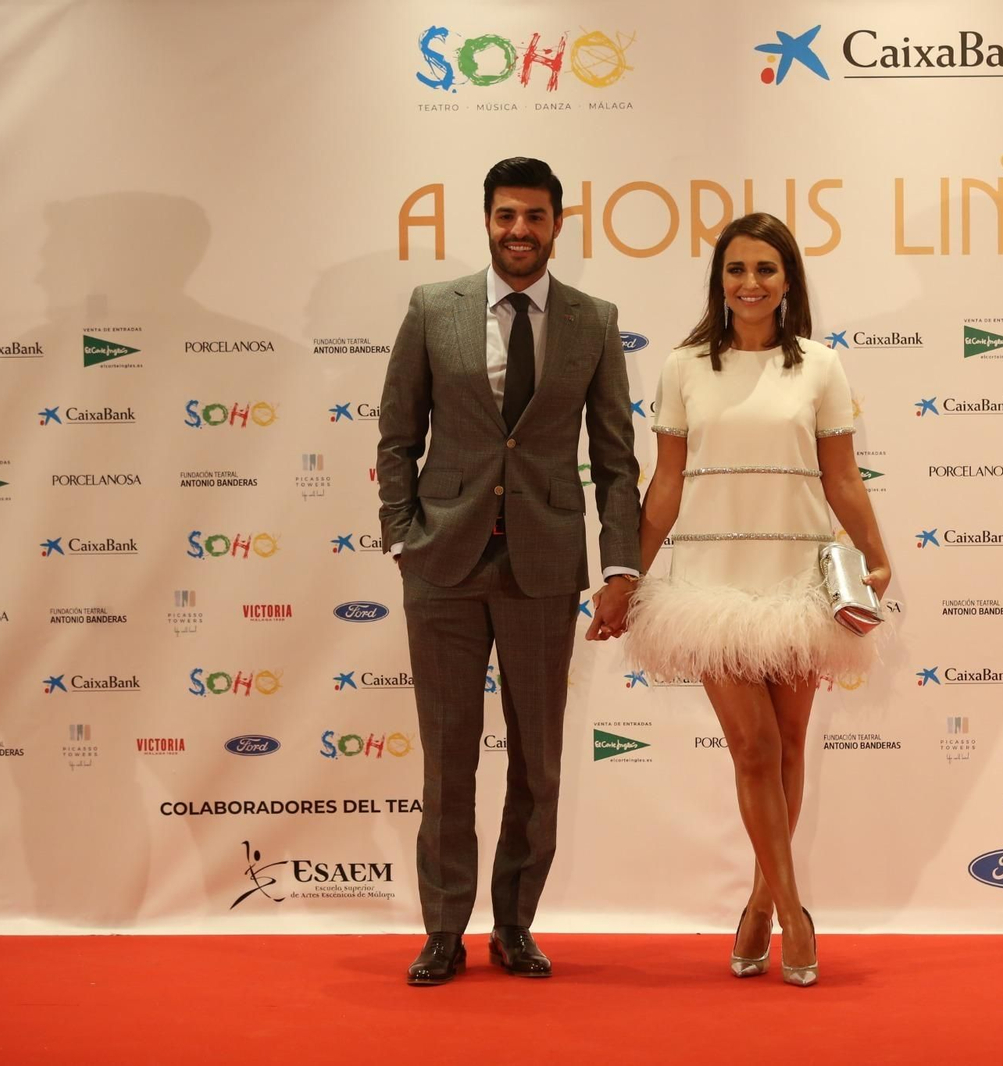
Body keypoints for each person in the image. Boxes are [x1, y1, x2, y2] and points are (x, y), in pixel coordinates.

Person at [376, 157, 642, 986]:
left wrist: (621, 566)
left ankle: (516, 926)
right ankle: (443, 933)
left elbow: (616, 458)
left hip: (543, 566)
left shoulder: (594, 322)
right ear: (486, 221)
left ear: (559, 223)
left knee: (539, 759)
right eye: (504, 216)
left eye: (534, 216)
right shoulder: (433, 309)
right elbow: (396, 434)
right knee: (448, 759)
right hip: (443, 564)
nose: (518, 231)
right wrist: (401, 537)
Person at [625, 213, 892, 987]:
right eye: (736, 268)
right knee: (752, 748)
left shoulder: (819, 367)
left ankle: (756, 904)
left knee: (789, 742)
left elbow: (842, 476)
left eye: (766, 270)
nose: (749, 283)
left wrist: (876, 558)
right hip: (710, 584)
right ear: (719, 279)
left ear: (788, 282)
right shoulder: (681, 368)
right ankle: (794, 911)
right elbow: (665, 482)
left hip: (798, 580)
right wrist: (628, 576)